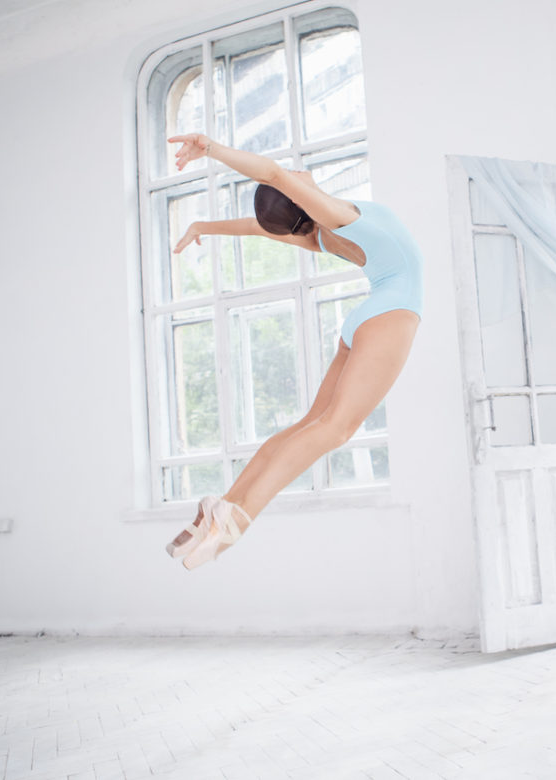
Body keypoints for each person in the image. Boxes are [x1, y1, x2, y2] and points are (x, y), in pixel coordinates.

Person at [162, 133, 423, 570]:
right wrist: (211, 149)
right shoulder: (336, 217)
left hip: (366, 319)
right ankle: (235, 520)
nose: (296, 172)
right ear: (299, 198)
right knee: (335, 429)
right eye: (293, 181)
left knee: (312, 424)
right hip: (391, 310)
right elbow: (273, 172)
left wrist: (205, 226)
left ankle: (223, 505)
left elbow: (257, 227)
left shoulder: (318, 234)